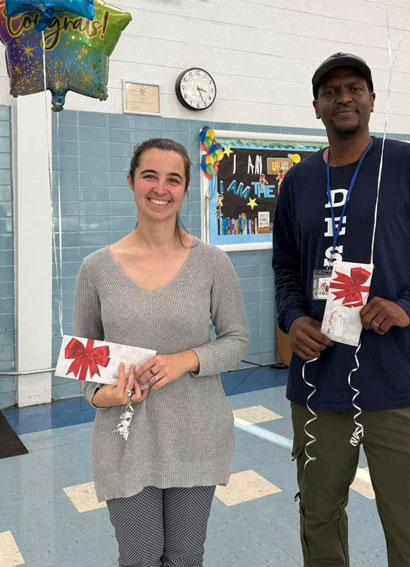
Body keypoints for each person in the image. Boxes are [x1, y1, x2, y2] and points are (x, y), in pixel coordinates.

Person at [272, 52, 410, 567]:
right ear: (316, 106)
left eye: (354, 87)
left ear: (371, 99)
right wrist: (293, 319)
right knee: (318, 517)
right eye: (331, 90)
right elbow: (285, 271)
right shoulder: (296, 184)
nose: (343, 97)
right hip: (320, 385)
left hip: (400, 382)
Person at [74, 138, 249, 566]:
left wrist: (186, 360)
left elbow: (237, 339)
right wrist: (106, 395)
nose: (161, 188)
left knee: (186, 556)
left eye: (174, 179)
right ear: (131, 181)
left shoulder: (212, 263)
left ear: (185, 189)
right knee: (140, 555)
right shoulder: (96, 268)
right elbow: (84, 361)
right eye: (150, 176)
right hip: (126, 439)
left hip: (197, 434)